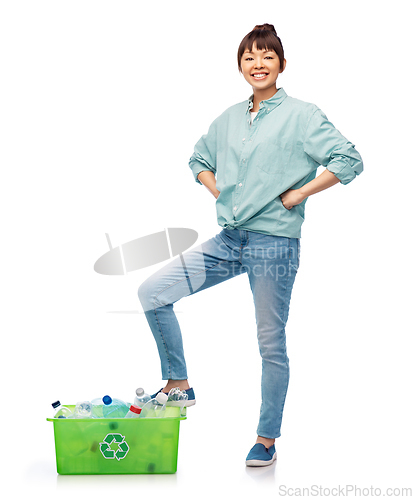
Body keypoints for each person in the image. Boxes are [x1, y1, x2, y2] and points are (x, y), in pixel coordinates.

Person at [138, 23, 363, 467]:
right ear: (240, 65)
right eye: (249, 57)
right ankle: (178, 382)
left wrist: (300, 194)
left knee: (270, 344)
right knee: (152, 293)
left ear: (281, 64)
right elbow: (198, 157)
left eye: (267, 56)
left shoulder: (303, 115)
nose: (258, 64)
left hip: (274, 244)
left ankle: (266, 438)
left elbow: (349, 158)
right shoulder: (227, 119)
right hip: (229, 240)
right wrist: (214, 186)